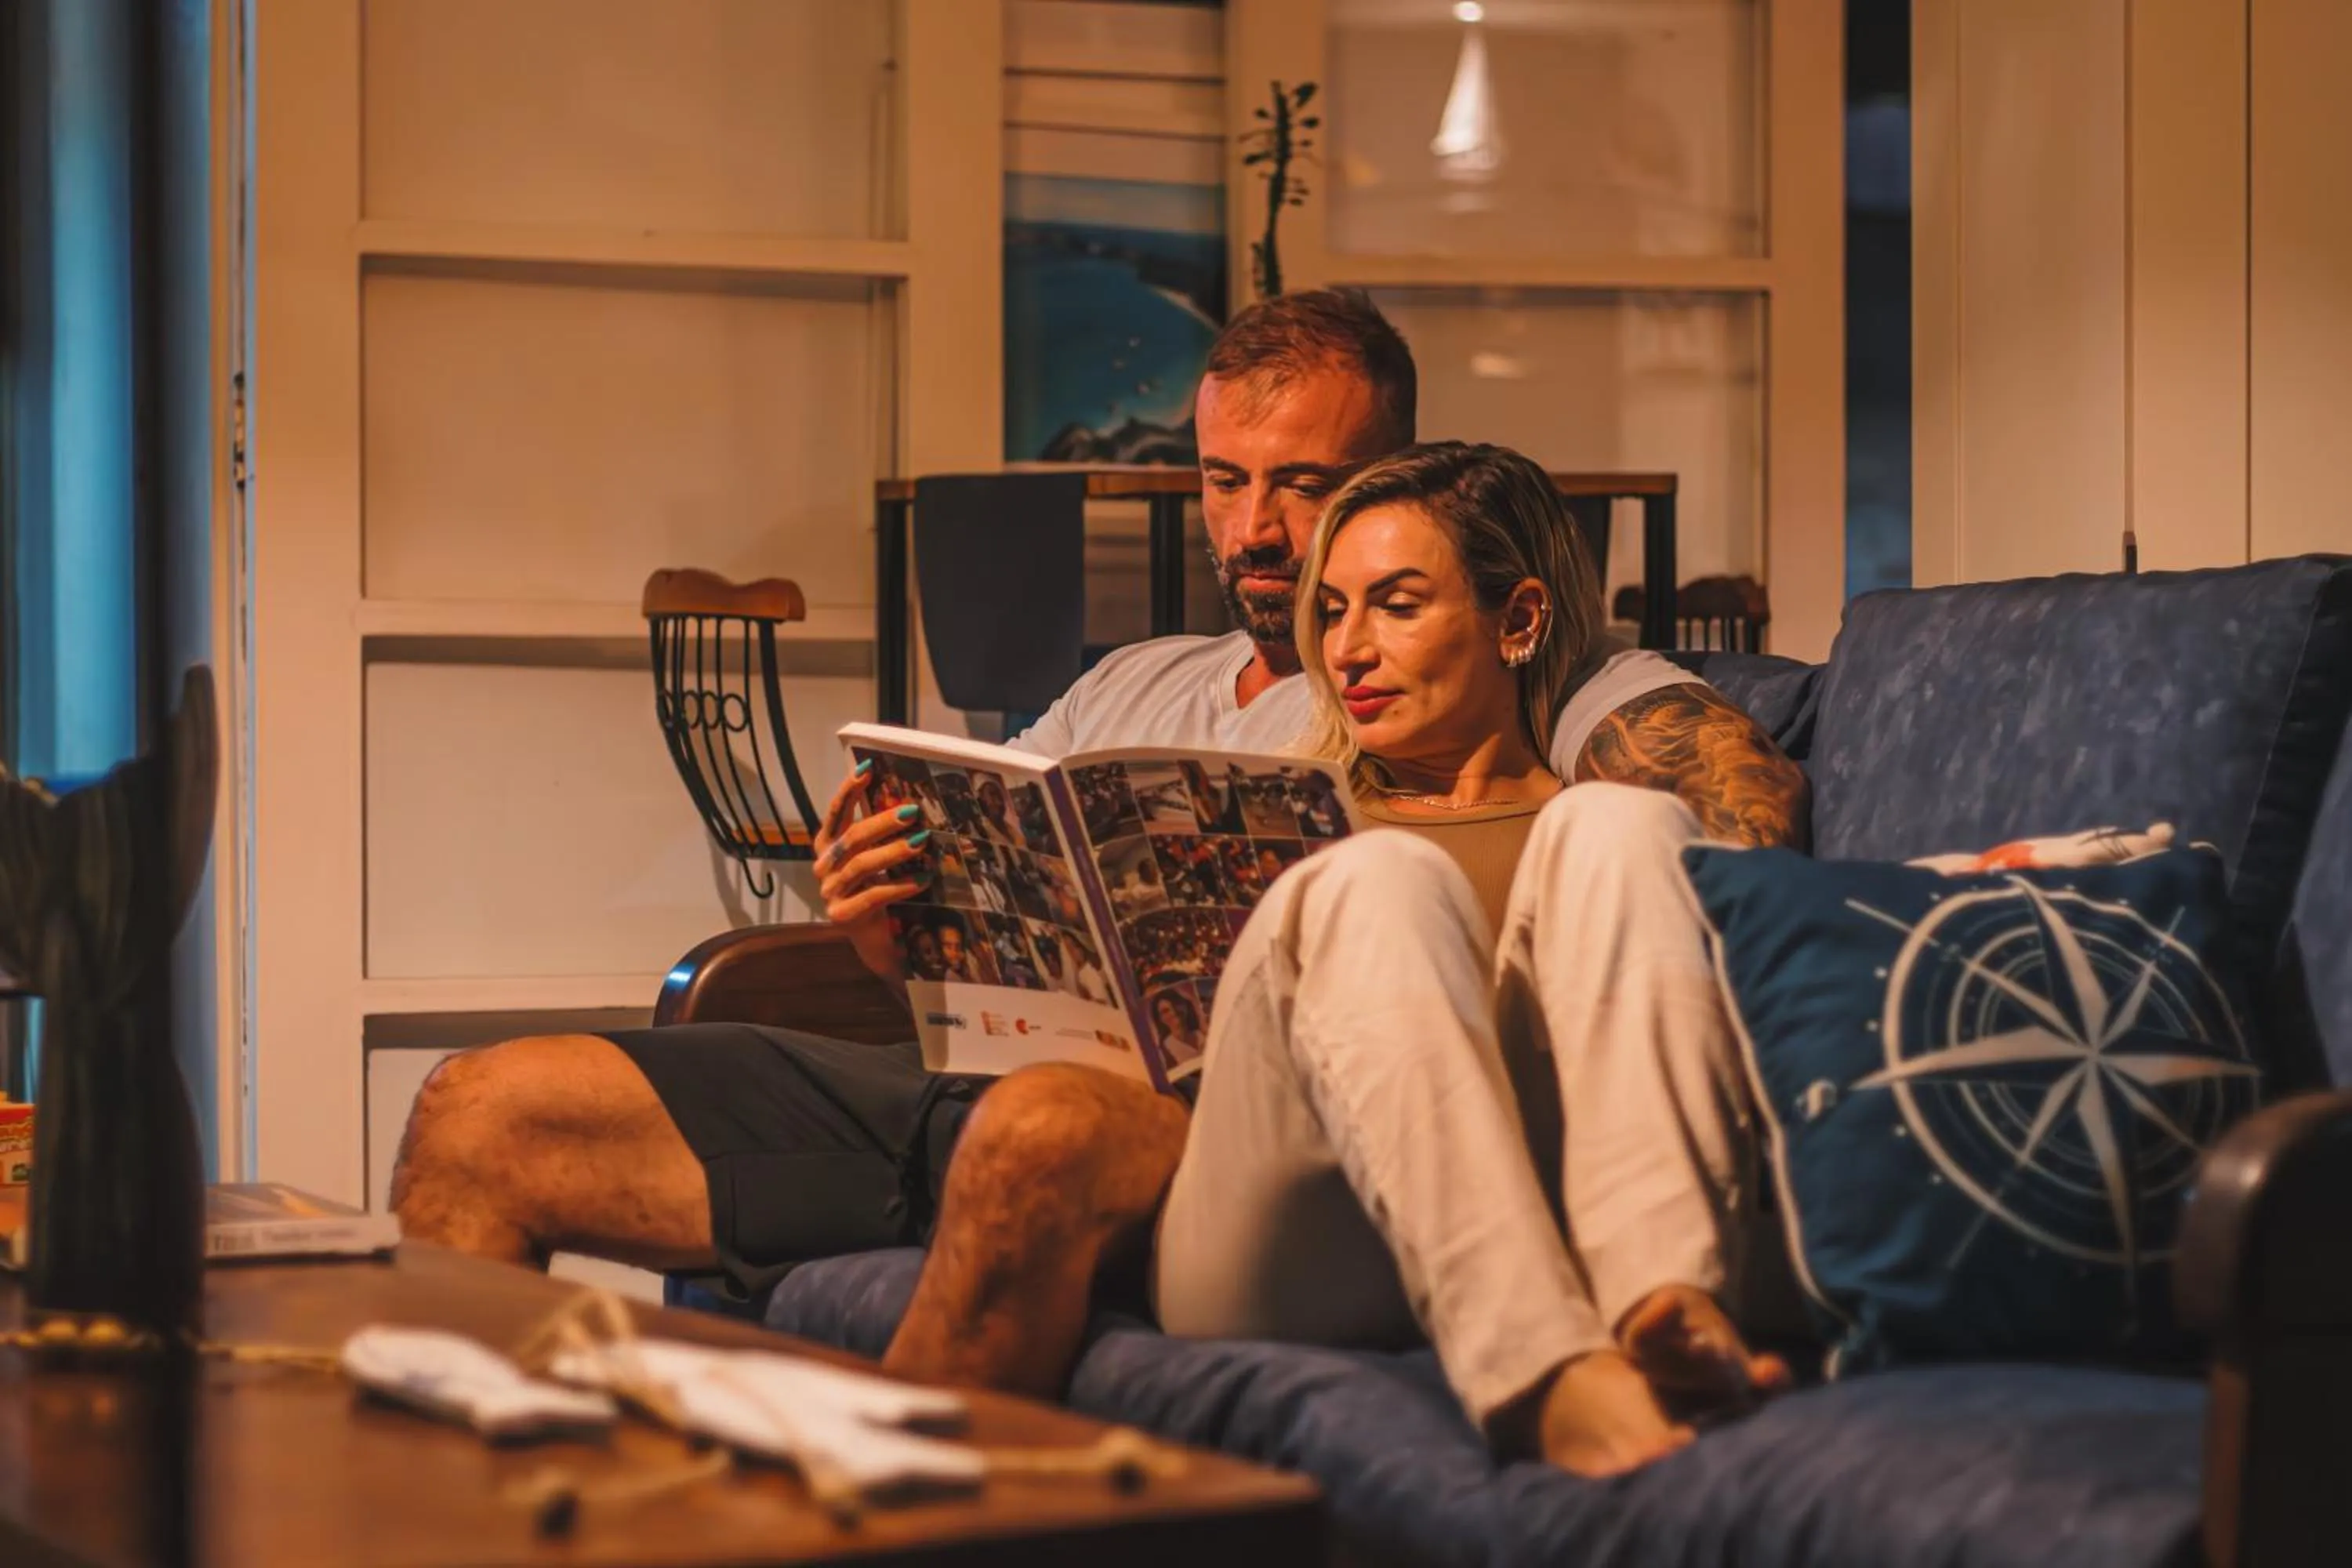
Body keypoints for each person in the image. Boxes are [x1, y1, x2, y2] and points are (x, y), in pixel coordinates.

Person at [388, 292, 1802, 1417]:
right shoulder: (1132, 682)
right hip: (958, 1072)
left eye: (1303, 488)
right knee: (482, 1110)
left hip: (1181, 1131)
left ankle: (883, 1521)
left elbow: (1713, 817)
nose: (1255, 536)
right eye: (1223, 481)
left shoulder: (1509, 669)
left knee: (1061, 1116)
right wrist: (889, 928)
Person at [898, 445, 1802, 1479]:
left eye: (1398, 606)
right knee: (1375, 881)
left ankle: (1665, 1298)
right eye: (1331, 611)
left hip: (1547, 1198)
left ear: (1521, 622)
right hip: (1288, 1226)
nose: (1349, 651)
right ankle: (1542, 1374)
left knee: (1622, 826)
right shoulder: (1280, 809)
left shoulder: (1588, 815)